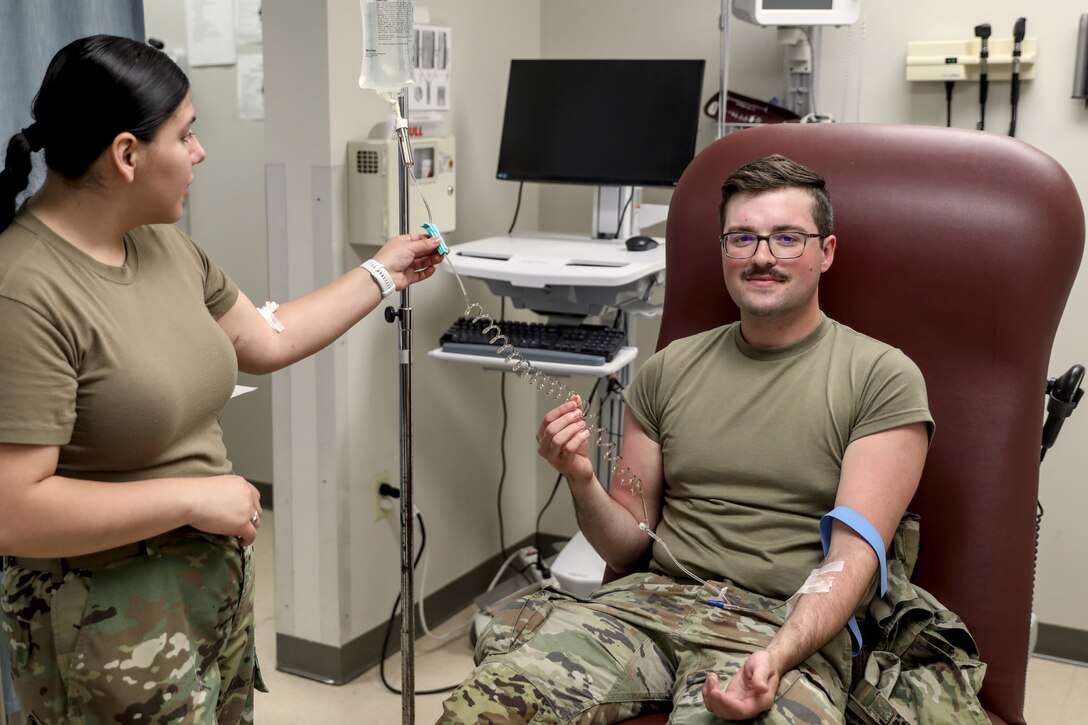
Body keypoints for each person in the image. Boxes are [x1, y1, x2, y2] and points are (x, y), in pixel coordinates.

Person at [0, 35, 442, 724]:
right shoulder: (24, 290)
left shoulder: (161, 242)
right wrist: (193, 499)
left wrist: (384, 272)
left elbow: (266, 338)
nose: (200, 152)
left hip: (208, 589)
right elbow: (14, 510)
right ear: (126, 153)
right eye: (187, 134)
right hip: (103, 623)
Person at [438, 154, 934, 723]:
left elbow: (853, 559)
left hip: (783, 628)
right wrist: (580, 479)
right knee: (482, 710)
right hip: (648, 607)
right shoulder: (668, 371)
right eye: (742, 238)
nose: (762, 257)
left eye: (787, 239)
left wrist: (777, 656)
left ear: (826, 252)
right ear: (724, 251)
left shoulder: (881, 377)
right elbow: (629, 545)